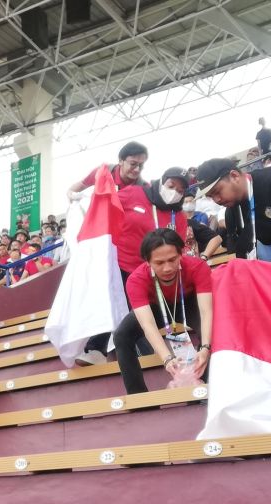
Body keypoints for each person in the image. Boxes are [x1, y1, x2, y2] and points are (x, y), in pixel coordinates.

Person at [77, 166, 191, 366]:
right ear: (162, 180)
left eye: (181, 191)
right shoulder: (135, 193)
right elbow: (106, 205)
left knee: (139, 310)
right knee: (113, 303)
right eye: (171, 185)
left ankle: (147, 352)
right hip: (123, 263)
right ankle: (96, 348)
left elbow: (178, 245)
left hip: (153, 271)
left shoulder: (178, 216)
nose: (175, 192)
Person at [113, 229, 212, 395]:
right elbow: (147, 324)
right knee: (121, 335)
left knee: (213, 330)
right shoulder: (136, 280)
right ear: (147, 261)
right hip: (156, 307)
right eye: (159, 263)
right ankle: (138, 396)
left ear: (181, 254)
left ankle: (205, 387)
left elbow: (207, 311)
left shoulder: (197, 266)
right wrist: (167, 358)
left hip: (188, 302)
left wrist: (206, 348)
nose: (167, 268)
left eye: (172, 260)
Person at [197, 157, 271, 262]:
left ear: (234, 176)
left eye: (217, 192)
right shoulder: (232, 210)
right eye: (211, 196)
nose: (216, 200)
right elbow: (242, 247)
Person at [67, 141, 148, 198]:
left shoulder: (145, 189)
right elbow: (81, 185)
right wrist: (70, 193)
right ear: (120, 161)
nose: (137, 169)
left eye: (141, 165)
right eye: (133, 164)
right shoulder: (102, 173)